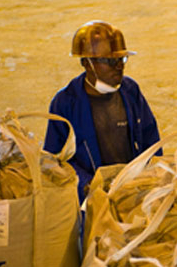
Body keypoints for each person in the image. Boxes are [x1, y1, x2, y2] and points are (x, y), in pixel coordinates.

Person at [44, 20, 161, 202]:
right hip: (91, 198)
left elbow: (150, 139)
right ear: (86, 63)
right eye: (109, 61)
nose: (119, 66)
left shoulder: (130, 91)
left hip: (133, 191)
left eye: (122, 59)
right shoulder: (66, 103)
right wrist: (89, 185)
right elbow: (55, 159)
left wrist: (152, 175)